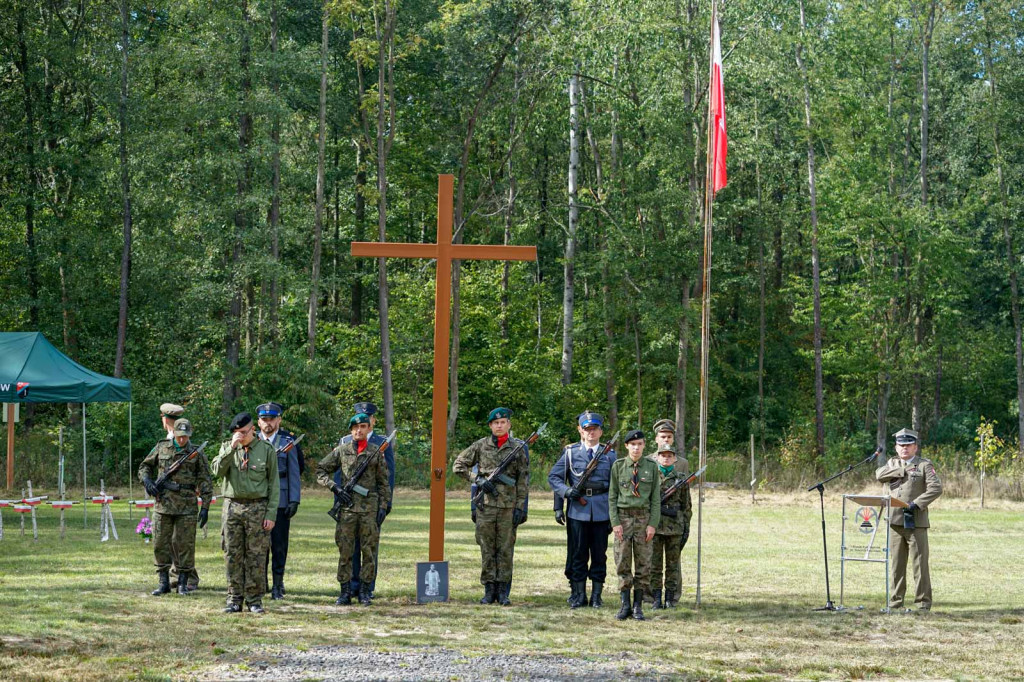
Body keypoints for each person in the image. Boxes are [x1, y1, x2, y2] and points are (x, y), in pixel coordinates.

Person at [453, 407, 529, 606]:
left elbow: (523, 480)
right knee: (486, 548)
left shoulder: (518, 448)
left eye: (503, 422)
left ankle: (504, 592)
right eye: (495, 423)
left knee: (505, 549)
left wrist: (521, 508)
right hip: (485, 507)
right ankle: (489, 590)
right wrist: (477, 480)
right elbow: (458, 465)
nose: (499, 425)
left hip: (508, 507)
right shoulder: (480, 446)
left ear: (509, 425)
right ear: (490, 426)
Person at [317, 412, 391, 606]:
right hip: (347, 509)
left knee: (369, 551)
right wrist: (335, 487)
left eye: (363, 427)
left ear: (368, 429)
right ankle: (345, 591)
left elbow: (384, 482)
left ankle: (366, 592)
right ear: (351, 430)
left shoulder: (376, 452)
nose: (359, 430)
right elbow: (321, 470)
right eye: (356, 427)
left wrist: (383, 506)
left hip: (369, 509)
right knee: (346, 552)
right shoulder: (341, 451)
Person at [548, 411, 616, 609]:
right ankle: (578, 594)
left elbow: (616, 486)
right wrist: (567, 493)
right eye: (587, 429)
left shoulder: (610, 455)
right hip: (578, 510)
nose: (591, 433)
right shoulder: (570, 453)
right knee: (577, 553)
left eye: (594, 429)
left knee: (599, 554)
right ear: (580, 430)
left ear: (601, 431)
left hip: (602, 509)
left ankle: (596, 595)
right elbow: (554, 478)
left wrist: (615, 514)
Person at [212, 412, 278, 614]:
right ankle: (234, 598)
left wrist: (271, 514)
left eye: (243, 432)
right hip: (232, 506)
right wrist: (231, 448)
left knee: (256, 555)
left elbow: (274, 484)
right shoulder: (228, 447)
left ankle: (254, 599)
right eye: (236, 433)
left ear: (252, 430)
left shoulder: (266, 450)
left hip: (257, 507)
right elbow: (216, 471)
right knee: (232, 553)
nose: (240, 436)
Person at [139, 418, 213, 596]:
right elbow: (145, 466)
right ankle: (163, 581)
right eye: (179, 436)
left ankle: (182, 582)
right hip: (163, 504)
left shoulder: (196, 453)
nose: (182, 440)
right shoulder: (162, 447)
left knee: (185, 545)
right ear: (174, 433)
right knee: (160, 543)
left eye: (185, 437)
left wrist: (205, 506)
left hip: (186, 506)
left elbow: (205, 480)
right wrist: (147, 481)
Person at [876, 427, 943, 612]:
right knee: (896, 564)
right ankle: (895, 602)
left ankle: (922, 603)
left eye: (908, 445)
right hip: (895, 521)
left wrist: (917, 503)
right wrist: (900, 469)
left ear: (915, 447)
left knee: (919, 564)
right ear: (896, 447)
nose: (904, 448)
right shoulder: (892, 464)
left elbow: (936, 488)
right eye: (901, 445)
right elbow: (879, 475)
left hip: (916, 520)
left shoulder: (924, 465)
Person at [334, 401, 395, 598]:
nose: (362, 424)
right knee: (349, 546)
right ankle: (350, 586)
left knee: (369, 547)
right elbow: (337, 473)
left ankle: (367, 588)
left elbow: (388, 475)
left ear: (373, 422)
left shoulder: (382, 443)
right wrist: (338, 497)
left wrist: (386, 504)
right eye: (358, 420)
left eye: (367, 419)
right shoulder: (345, 441)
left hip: (371, 503)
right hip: (349, 504)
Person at [609, 429, 660, 621]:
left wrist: (652, 524)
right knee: (622, 560)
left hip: (643, 518)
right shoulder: (618, 466)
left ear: (644, 445)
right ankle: (625, 605)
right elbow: (612, 496)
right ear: (627, 446)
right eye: (632, 444)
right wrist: (615, 523)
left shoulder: (651, 467)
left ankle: (638, 605)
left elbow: (655, 498)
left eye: (639, 444)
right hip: (623, 517)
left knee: (643, 562)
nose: (636, 448)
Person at [256, 402, 303, 600]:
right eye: (264, 420)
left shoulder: (288, 442)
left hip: (281, 501)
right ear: (258, 422)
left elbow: (295, 471)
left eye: (272, 419)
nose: (268, 423)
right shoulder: (253, 441)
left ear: (279, 420)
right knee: (258, 546)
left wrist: (294, 500)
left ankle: (277, 584)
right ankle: (260, 583)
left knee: (279, 545)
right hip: (257, 501)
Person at [158, 402, 200, 593]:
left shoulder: (186, 441)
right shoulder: (165, 442)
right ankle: (172, 578)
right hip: (166, 501)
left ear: (166, 419)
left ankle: (188, 577)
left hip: (183, 501)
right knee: (168, 541)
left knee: (182, 541)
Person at [649, 441, 691, 609]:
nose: (666, 458)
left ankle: (670, 599)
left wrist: (686, 527)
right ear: (657, 458)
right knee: (655, 565)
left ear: (675, 459)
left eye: (669, 456)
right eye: (663, 455)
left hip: (675, 528)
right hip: (655, 527)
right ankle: (656, 598)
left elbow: (686, 506)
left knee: (672, 566)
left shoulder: (681, 479)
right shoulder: (651, 478)